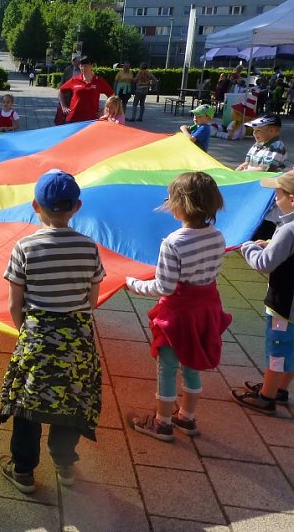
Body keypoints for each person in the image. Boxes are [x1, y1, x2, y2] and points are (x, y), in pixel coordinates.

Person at [0, 170, 104, 494]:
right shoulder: (89, 247)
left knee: (28, 405)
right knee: (70, 402)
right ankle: (64, 465)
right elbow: (92, 298)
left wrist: (25, 332)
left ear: (35, 206)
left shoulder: (24, 247)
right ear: (77, 207)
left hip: (37, 337)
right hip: (77, 340)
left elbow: (15, 303)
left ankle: (24, 472)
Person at [125, 172, 230, 441]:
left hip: (179, 314)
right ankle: (187, 417)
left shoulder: (173, 242)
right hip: (205, 308)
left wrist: (133, 283)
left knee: (167, 367)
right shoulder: (218, 237)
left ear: (181, 205)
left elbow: (164, 287)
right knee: (192, 363)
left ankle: (162, 423)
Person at [231, 170, 294, 415]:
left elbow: (264, 264)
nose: (275, 200)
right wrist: (270, 244)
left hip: (284, 304)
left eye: (278, 195)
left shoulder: (289, 230)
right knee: (292, 348)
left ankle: (267, 396)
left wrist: (248, 247)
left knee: (277, 348)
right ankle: (279, 388)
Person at [57, 57, 115, 123]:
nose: (84, 68)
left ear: (91, 66)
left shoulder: (98, 81)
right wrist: (63, 106)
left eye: (86, 65)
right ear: (79, 66)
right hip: (73, 118)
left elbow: (112, 95)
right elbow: (61, 91)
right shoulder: (74, 80)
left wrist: (105, 110)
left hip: (91, 119)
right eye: (82, 66)